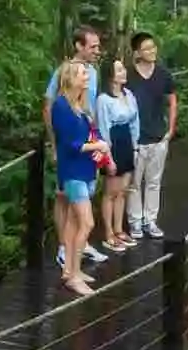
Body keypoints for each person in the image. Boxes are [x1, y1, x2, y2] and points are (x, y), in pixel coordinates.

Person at [43, 24, 108, 266]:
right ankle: (63, 247)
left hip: (87, 141)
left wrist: (97, 140)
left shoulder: (93, 72)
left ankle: (80, 245)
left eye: (98, 46)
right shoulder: (64, 72)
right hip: (69, 145)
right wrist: (55, 145)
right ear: (79, 46)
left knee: (83, 198)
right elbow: (49, 107)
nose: (97, 51)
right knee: (64, 196)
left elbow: (88, 107)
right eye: (92, 46)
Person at [48, 60, 109, 296]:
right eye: (83, 74)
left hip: (85, 170)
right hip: (72, 172)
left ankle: (71, 270)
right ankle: (73, 276)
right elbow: (69, 144)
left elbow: (89, 134)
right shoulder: (61, 106)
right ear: (71, 77)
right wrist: (96, 145)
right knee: (87, 223)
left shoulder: (80, 106)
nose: (87, 78)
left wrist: (101, 148)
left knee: (74, 223)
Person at [124, 32, 177, 239]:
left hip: (158, 136)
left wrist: (170, 129)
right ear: (137, 52)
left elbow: (172, 100)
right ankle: (135, 222)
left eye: (153, 47)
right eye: (146, 48)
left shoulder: (163, 74)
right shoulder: (128, 75)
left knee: (154, 181)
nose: (151, 51)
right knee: (134, 183)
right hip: (136, 138)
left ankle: (151, 220)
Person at [95, 58, 140, 253]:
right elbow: (103, 128)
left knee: (123, 191)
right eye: (119, 70)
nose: (124, 72)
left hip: (127, 141)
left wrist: (135, 146)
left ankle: (119, 229)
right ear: (111, 75)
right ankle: (108, 233)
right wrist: (108, 157)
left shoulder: (128, 94)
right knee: (111, 192)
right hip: (112, 142)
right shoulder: (103, 100)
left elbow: (135, 120)